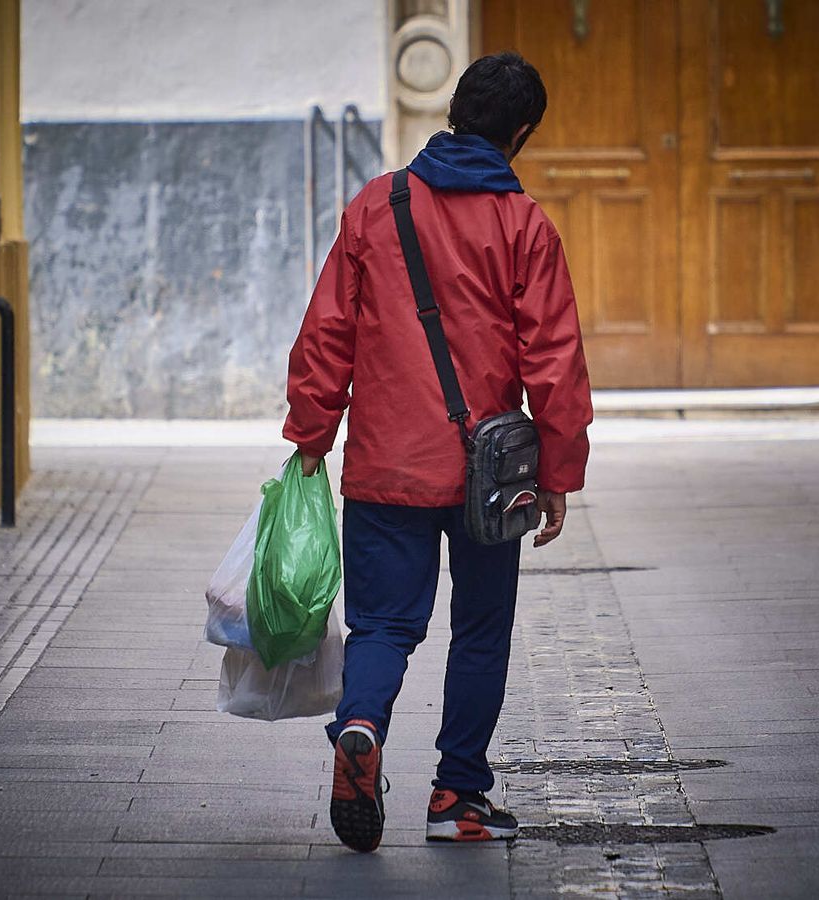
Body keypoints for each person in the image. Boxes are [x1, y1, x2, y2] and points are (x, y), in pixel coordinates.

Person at [283, 51, 592, 852]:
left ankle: (360, 726)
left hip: (387, 464)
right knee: (481, 629)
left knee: (383, 625)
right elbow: (553, 360)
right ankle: (458, 798)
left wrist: (312, 435)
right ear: (519, 134)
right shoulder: (525, 226)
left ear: (453, 111)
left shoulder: (375, 207)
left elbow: (326, 334)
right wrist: (558, 473)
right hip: (489, 476)